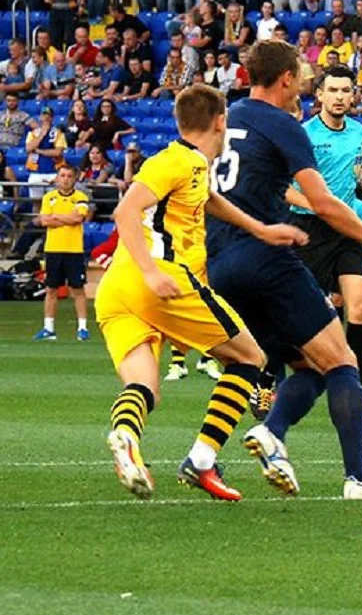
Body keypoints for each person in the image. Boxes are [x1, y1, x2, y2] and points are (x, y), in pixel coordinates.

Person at [206, 40, 362, 501]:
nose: (304, 83)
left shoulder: (227, 116)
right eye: (301, 75)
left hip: (220, 261)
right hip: (269, 255)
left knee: (286, 364)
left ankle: (221, 449)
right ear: (285, 78)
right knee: (339, 362)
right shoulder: (286, 126)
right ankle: (358, 477)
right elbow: (321, 203)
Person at [98, 84, 307, 501]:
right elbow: (125, 210)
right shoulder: (179, 160)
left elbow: (208, 199)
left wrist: (262, 229)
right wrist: (151, 273)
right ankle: (201, 460)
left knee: (146, 387)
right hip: (159, 281)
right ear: (220, 120)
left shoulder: (190, 165)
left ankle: (125, 438)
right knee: (250, 357)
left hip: (115, 290)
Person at [281, 65, 362, 422]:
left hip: (346, 226)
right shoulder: (303, 135)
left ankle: (355, 392)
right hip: (310, 229)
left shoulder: (359, 132)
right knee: (297, 313)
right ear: (320, 96)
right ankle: (267, 377)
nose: (341, 96)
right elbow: (282, 187)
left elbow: (353, 171)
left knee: (358, 308)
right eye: (334, 90)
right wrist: (313, 203)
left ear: (353, 94)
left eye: (346, 90)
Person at [31, 165, 91, 342]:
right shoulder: (49, 197)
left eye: (69, 176)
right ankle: (49, 328)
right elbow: (44, 220)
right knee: (51, 289)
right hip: (53, 249)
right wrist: (65, 218)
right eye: (62, 175)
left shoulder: (80, 197)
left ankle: (82, 327)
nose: (65, 179)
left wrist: (56, 217)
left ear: (74, 178)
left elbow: (78, 218)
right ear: (57, 178)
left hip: (74, 250)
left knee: (78, 289)